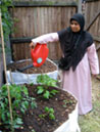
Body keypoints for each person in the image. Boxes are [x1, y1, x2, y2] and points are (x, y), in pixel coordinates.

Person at [30, 13, 99, 115]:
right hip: (68, 67)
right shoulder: (66, 33)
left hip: (81, 68)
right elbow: (51, 36)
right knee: (69, 87)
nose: (73, 26)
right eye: (72, 23)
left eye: (76, 24)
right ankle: (69, 106)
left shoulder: (87, 37)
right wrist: (36, 41)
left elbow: (92, 55)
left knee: (81, 87)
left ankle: (82, 107)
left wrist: (95, 70)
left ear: (81, 24)